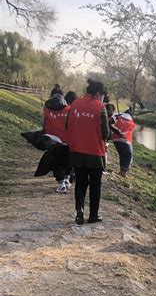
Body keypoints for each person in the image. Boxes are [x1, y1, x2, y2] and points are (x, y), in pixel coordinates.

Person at [66, 79, 109, 225]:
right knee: (95, 184)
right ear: (98, 93)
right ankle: (93, 215)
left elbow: (68, 125)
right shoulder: (100, 107)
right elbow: (105, 133)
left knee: (80, 183)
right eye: (102, 94)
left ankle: (80, 210)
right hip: (95, 153)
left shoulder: (75, 104)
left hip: (77, 151)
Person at [43, 91, 71, 193]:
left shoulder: (47, 110)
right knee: (68, 161)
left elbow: (44, 123)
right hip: (68, 141)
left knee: (56, 163)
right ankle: (67, 179)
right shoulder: (69, 109)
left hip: (53, 141)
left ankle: (62, 183)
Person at [111, 108, 136, 178]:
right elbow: (130, 131)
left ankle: (121, 171)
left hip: (115, 139)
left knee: (122, 155)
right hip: (126, 140)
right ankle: (124, 173)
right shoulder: (131, 122)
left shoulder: (118, 115)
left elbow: (111, 122)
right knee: (128, 156)